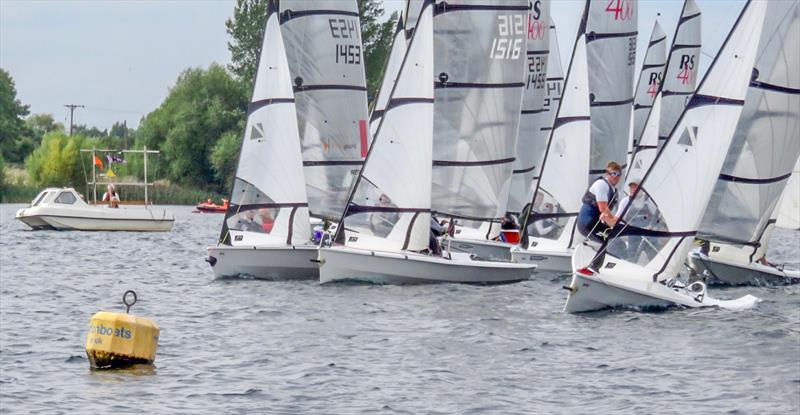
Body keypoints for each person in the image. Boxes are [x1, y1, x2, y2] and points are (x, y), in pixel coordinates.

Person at [577, 161, 622, 243]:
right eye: (613, 174)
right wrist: (614, 222)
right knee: (616, 242)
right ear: (607, 174)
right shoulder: (601, 184)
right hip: (587, 223)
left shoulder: (614, 191)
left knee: (619, 238)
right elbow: (603, 209)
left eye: (618, 174)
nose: (616, 177)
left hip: (596, 223)